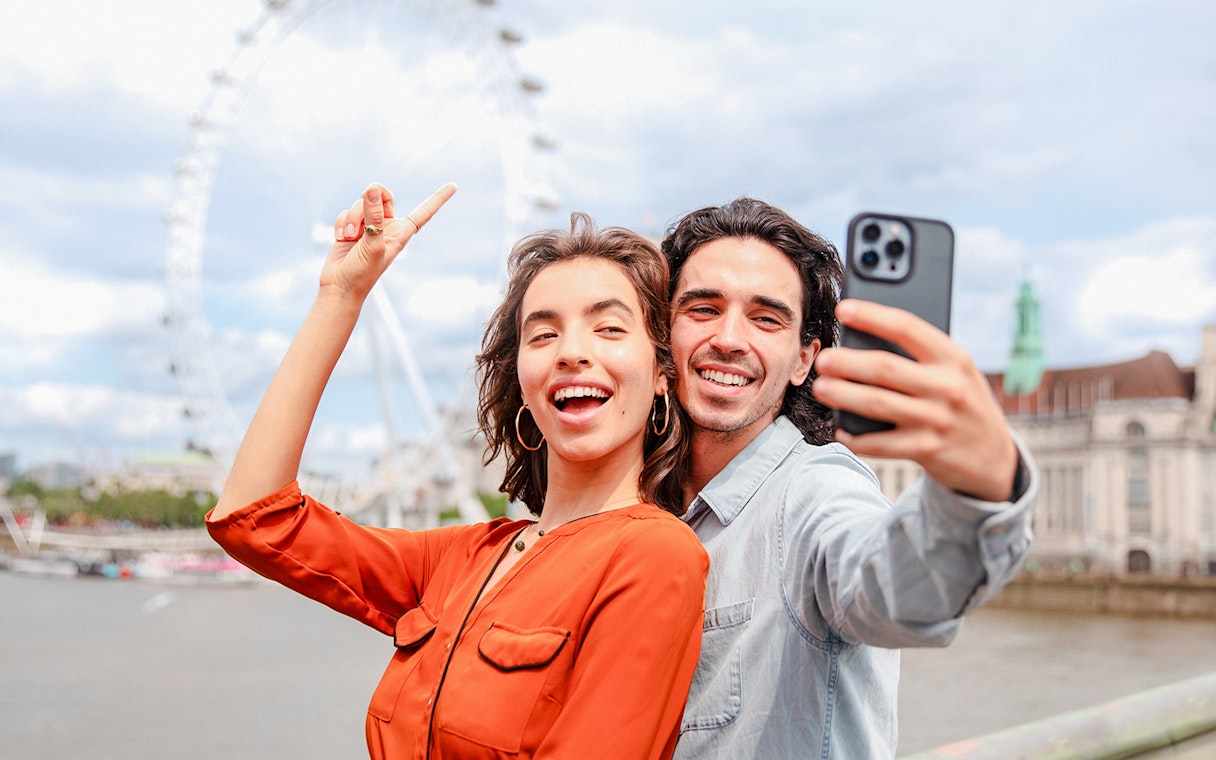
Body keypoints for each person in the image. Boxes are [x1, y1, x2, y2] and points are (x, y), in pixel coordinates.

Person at [206, 183, 708, 759]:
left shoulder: (652, 555)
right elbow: (256, 519)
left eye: (609, 328)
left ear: (663, 373)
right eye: (543, 335)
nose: (571, 352)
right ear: (521, 379)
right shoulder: (463, 558)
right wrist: (341, 296)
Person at [660, 197, 1037, 759]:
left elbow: (899, 587)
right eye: (703, 309)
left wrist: (978, 487)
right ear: (664, 333)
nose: (730, 338)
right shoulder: (644, 509)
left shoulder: (818, 490)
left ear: (804, 361)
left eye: (766, 318)